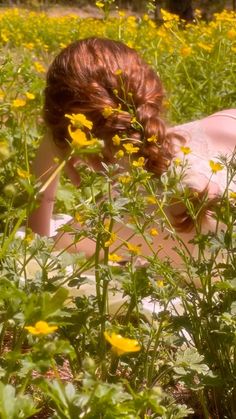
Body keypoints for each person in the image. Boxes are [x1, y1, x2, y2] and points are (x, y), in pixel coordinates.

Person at [28, 37, 236, 266]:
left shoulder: (98, 232)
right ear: (153, 92)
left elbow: (36, 249)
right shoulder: (225, 124)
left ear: (70, 134)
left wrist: (49, 149)